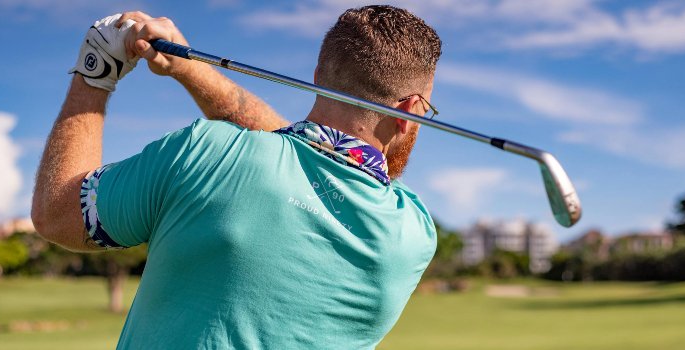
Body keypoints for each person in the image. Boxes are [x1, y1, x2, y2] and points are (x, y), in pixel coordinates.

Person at [32, 5, 442, 349]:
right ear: (411, 111)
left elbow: (57, 213)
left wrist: (96, 70)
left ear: (318, 76)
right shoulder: (412, 233)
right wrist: (189, 68)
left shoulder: (205, 151)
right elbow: (308, 153)